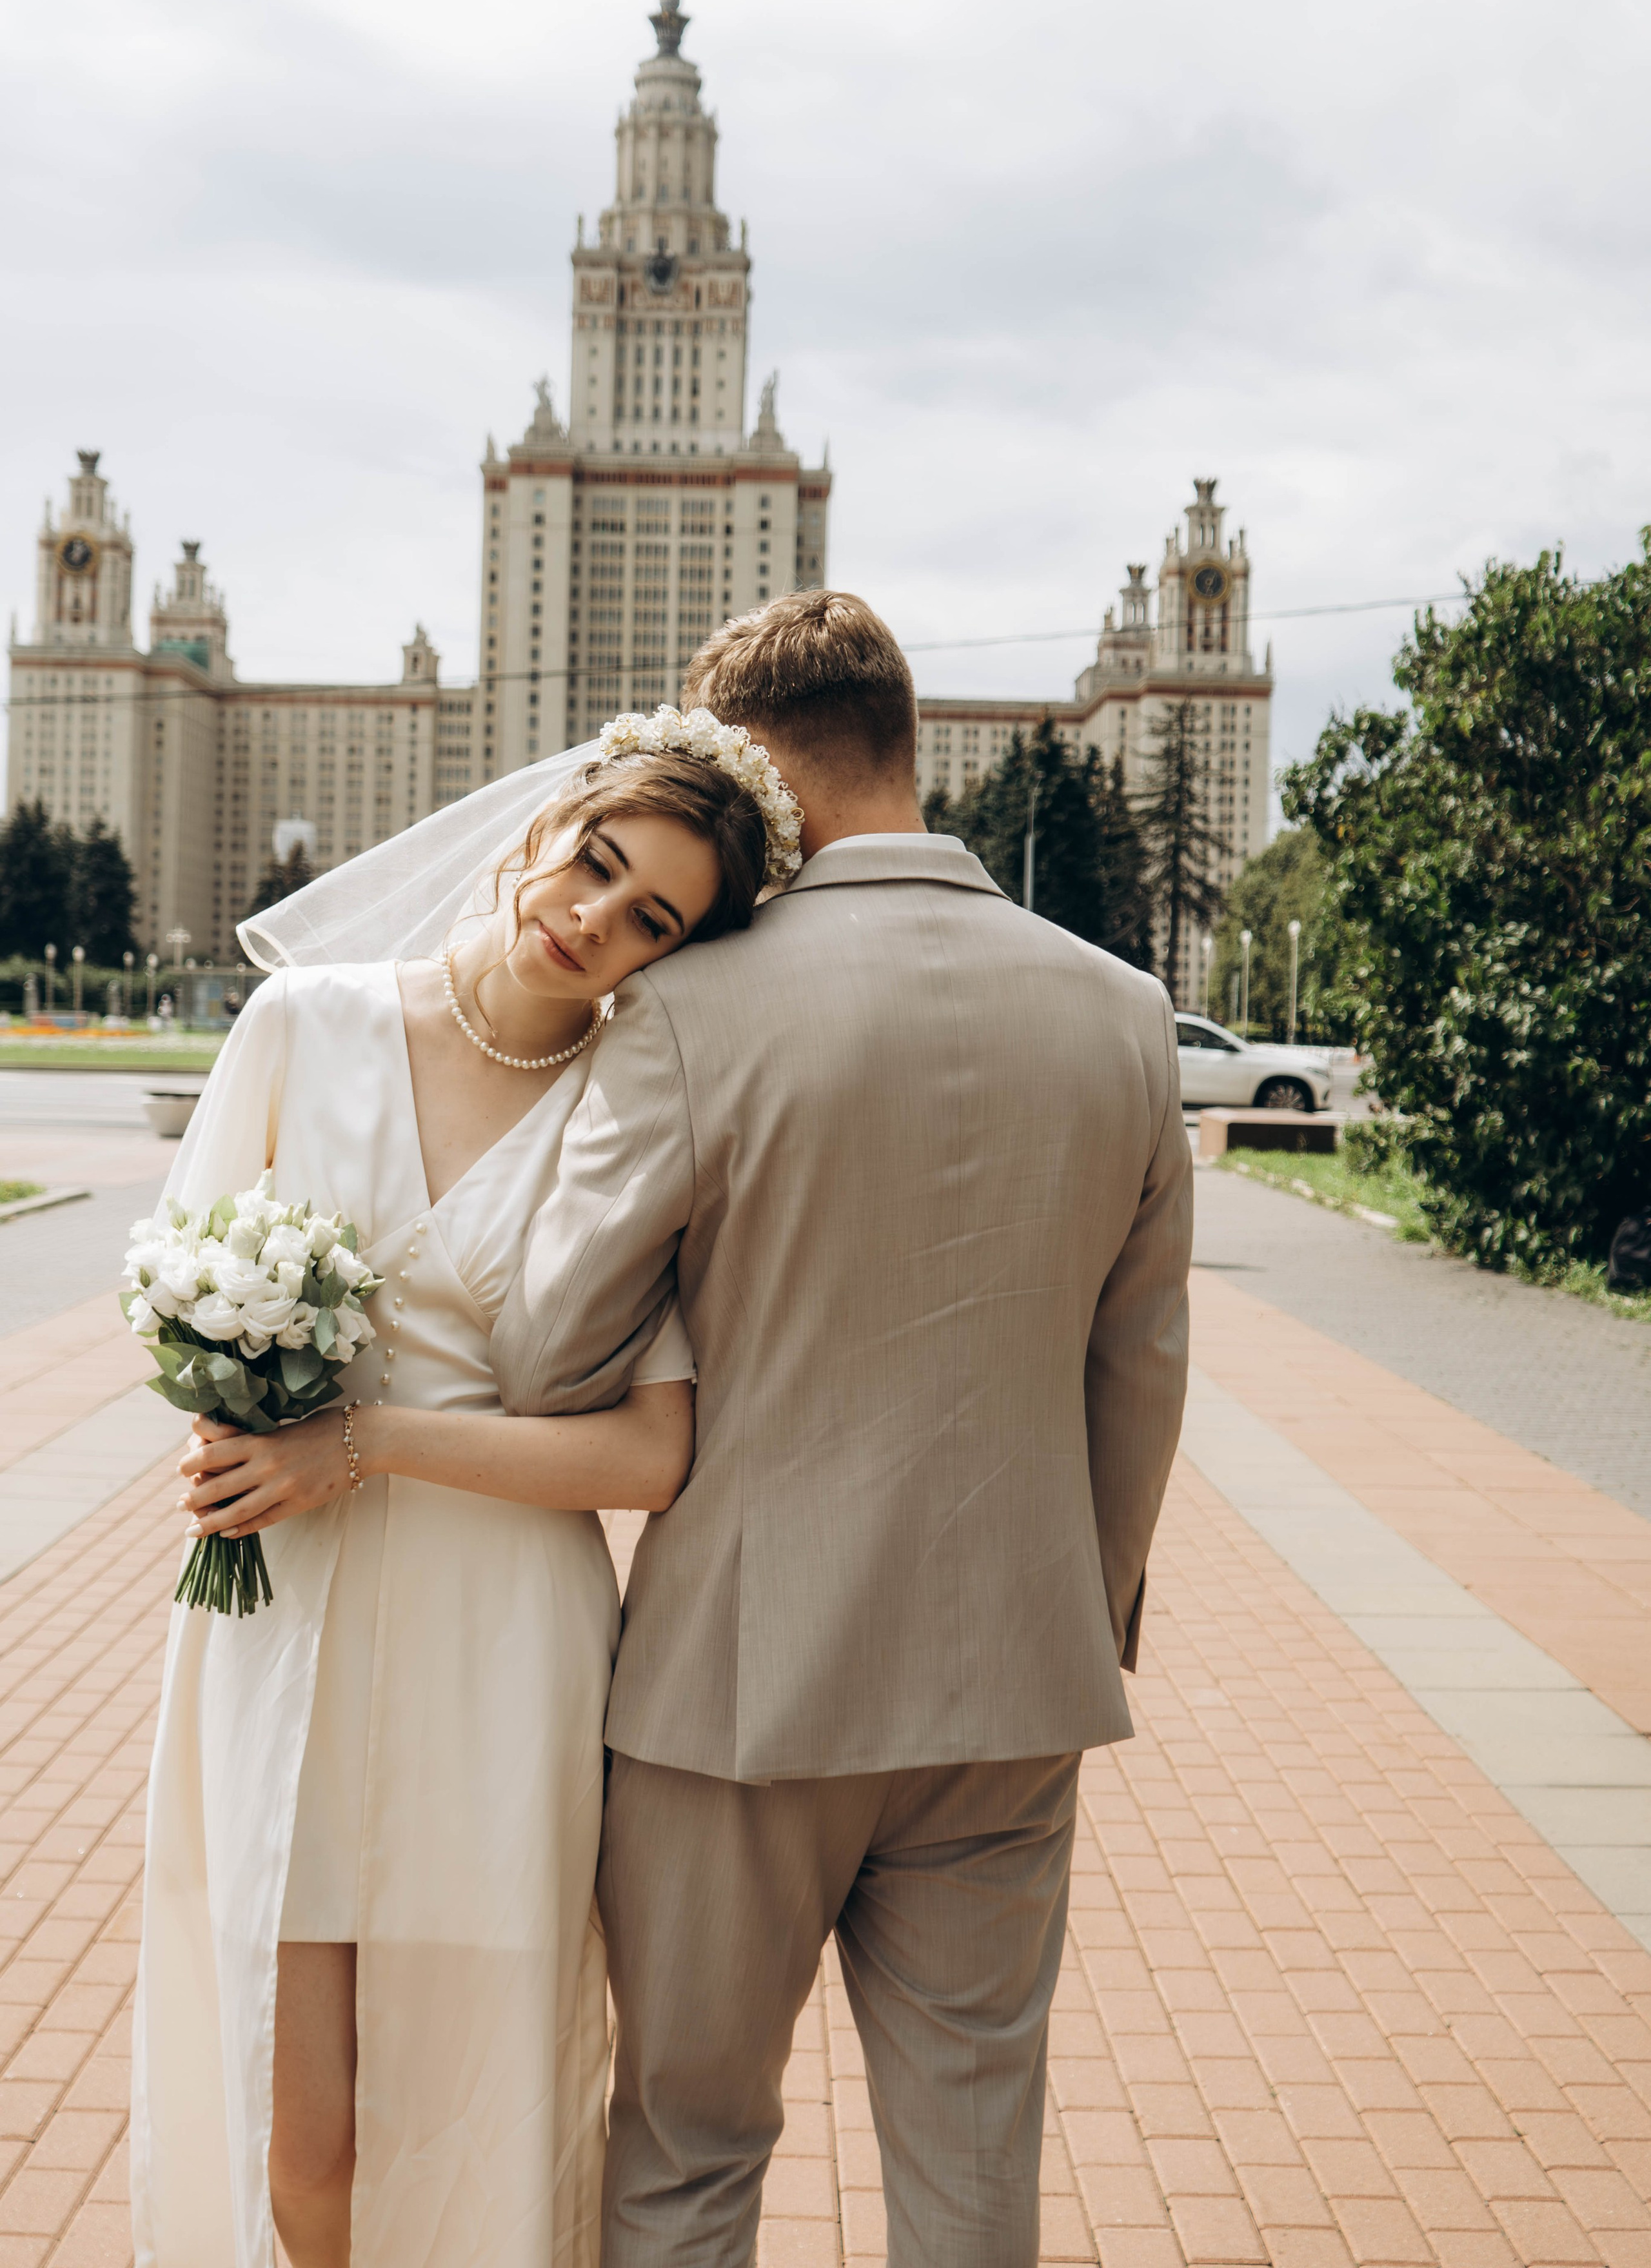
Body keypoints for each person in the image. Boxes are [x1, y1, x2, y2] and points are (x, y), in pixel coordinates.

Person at [492, 588, 1193, 2268]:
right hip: (1015, 1686)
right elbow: (1142, 1368)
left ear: (750, 778)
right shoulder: (1122, 1013)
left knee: (685, 2156)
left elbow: (544, 1352)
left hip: (739, 1690)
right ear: (909, 743)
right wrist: (1080, 1617)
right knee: (971, 2170)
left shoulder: (691, 1010)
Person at [130, 736, 790, 2268]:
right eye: (597, 862)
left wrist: (361, 1446)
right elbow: (169, 1295)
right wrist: (233, 1402)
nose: (590, 919)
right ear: (552, 819)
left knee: (481, 2089)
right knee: (305, 2132)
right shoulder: (308, 1025)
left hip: (503, 1646)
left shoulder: (628, 1106)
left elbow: (649, 1456)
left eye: (651, 925)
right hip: (291, 1609)